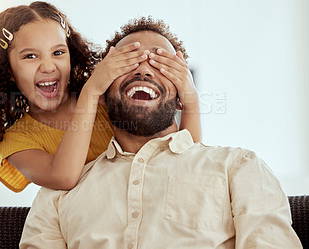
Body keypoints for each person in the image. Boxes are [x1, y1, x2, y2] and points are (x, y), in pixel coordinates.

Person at [19, 17, 302, 248]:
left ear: (182, 96)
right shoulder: (56, 198)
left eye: (161, 62)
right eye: (128, 61)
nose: (144, 70)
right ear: (103, 91)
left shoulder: (238, 169)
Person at [0, 2, 202, 192]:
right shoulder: (17, 141)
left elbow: (185, 159)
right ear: (8, 71)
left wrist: (191, 99)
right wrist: (91, 93)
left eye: (58, 52)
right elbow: (64, 177)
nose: (48, 66)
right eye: (30, 56)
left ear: (72, 56)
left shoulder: (109, 101)